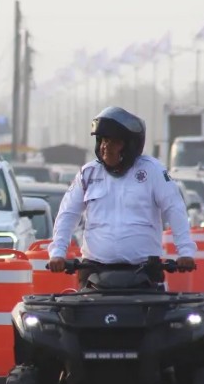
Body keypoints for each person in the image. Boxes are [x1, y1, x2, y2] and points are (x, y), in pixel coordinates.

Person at [48, 106, 196, 287]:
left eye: (113, 142)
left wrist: (185, 253)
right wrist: (58, 254)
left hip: (144, 273)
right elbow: (68, 214)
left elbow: (175, 209)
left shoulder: (153, 171)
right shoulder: (88, 174)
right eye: (102, 140)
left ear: (130, 145)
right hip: (94, 272)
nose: (105, 147)